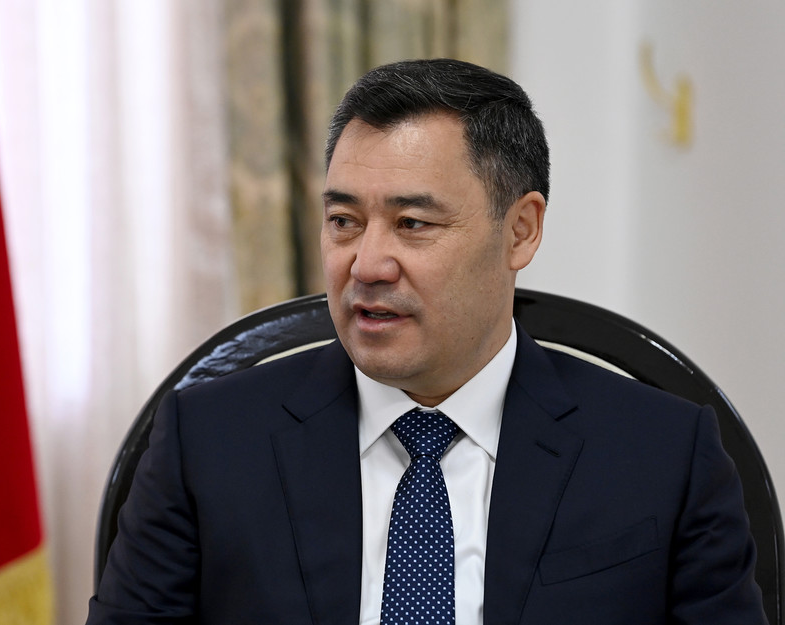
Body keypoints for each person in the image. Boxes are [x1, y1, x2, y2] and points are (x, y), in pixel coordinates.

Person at [86, 59, 767, 624]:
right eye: (344, 220)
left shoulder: (664, 455)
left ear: (521, 230)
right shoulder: (207, 443)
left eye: (412, 223)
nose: (366, 264)